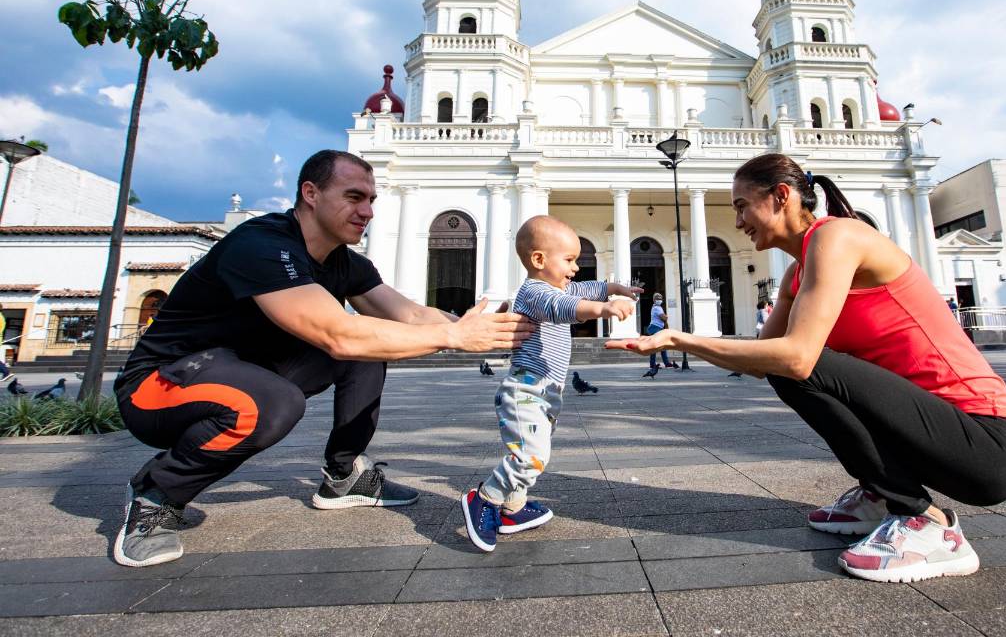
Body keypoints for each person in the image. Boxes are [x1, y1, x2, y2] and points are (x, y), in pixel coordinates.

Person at [608, 153, 1006, 583]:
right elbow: (761, 360)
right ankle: (881, 496)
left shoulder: (838, 237)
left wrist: (679, 339)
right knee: (787, 364)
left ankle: (927, 523)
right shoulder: (796, 274)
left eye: (741, 205)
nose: (738, 221)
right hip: (929, 435)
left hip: (984, 443)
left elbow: (796, 358)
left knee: (801, 363)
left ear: (781, 196)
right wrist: (673, 340)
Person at [111, 150, 534, 568]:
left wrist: (489, 327)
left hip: (243, 371)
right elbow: (336, 334)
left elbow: (410, 316)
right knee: (276, 402)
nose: (366, 210)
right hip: (160, 387)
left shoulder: (344, 262)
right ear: (310, 193)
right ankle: (156, 494)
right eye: (354, 197)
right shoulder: (261, 244)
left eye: (371, 200)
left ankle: (344, 474)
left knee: (369, 348)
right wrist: (455, 336)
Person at [461, 215, 638, 552]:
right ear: (539, 259)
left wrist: (615, 288)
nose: (575, 267)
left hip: (545, 393)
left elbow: (584, 289)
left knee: (529, 453)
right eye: (569, 260)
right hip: (525, 391)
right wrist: (604, 309)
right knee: (532, 454)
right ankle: (484, 498)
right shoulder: (535, 292)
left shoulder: (559, 285)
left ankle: (512, 510)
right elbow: (564, 306)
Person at [646, 293, 678, 371]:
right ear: (654, 300)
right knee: (656, 346)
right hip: (655, 328)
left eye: (660, 299)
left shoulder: (657, 307)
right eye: (657, 299)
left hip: (657, 328)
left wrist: (665, 318)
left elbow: (664, 318)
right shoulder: (657, 308)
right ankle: (656, 364)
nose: (659, 300)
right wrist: (665, 317)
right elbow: (664, 317)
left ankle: (660, 363)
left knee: (661, 346)